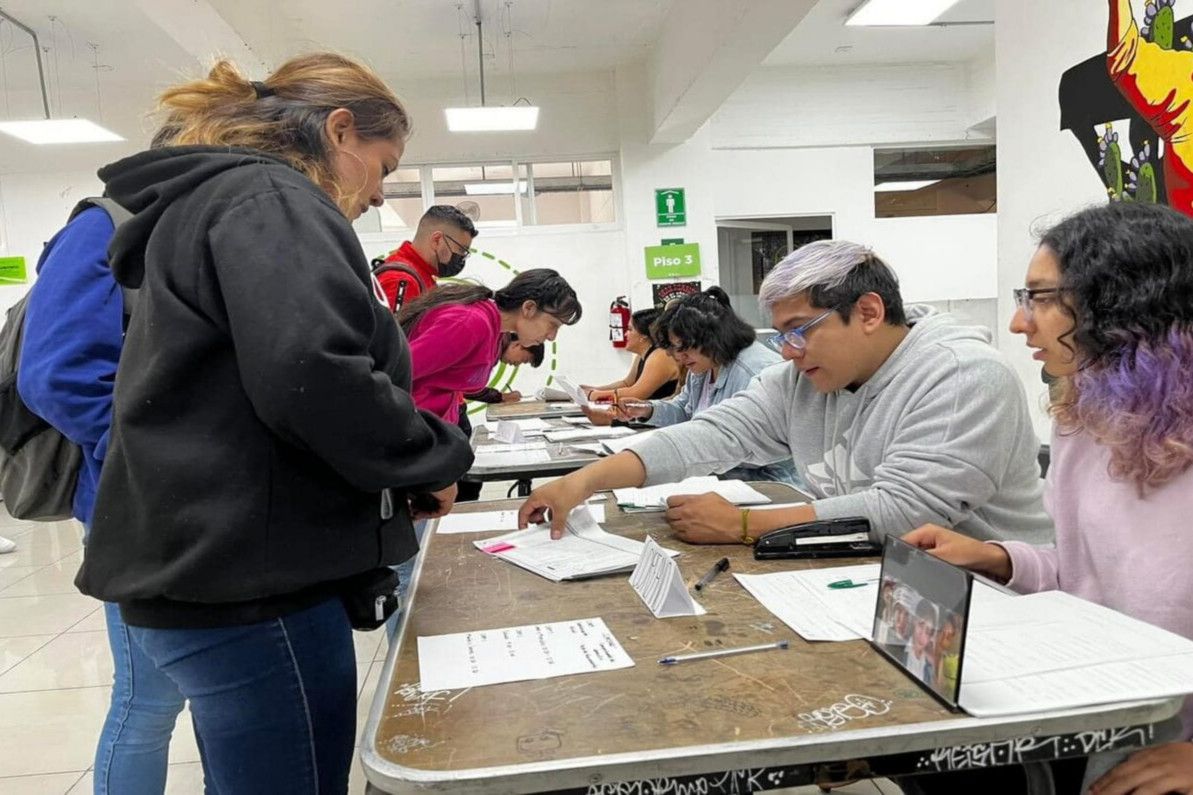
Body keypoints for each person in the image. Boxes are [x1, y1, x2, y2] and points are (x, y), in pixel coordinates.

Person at [73, 54, 473, 793]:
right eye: (383, 165)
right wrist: (433, 456)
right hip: (251, 580)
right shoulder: (269, 198)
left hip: (214, 565)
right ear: (339, 129)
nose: (382, 193)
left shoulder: (217, 201)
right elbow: (312, 374)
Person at [903, 202, 1193, 795]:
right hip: (1114, 710)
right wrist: (999, 558)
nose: (1018, 323)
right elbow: (1086, 575)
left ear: (1122, 300)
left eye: (1038, 297)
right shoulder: (1083, 418)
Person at [518, 240, 1052, 549]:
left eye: (801, 330)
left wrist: (744, 524)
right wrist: (582, 482)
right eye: (783, 336)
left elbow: (904, 512)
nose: (789, 352)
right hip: (874, 577)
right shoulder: (806, 378)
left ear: (867, 312)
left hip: (993, 605)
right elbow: (709, 435)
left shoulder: (961, 377)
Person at [17, 143, 191, 793]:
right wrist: (152, 459)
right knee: (148, 699)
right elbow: (58, 375)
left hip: (203, 509)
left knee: (202, 695)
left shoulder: (205, 225)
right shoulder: (103, 224)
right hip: (139, 504)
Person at [593, 286, 797, 484]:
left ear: (711, 337)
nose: (679, 358)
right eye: (674, 349)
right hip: (720, 475)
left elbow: (754, 447)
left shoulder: (756, 371)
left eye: (683, 348)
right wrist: (647, 410)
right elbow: (685, 410)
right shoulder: (703, 365)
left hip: (769, 481)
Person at [398, 270, 581, 424]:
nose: (552, 336)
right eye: (553, 324)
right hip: (408, 432)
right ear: (529, 308)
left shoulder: (494, 332)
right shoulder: (470, 324)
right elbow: (395, 371)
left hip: (433, 429)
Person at [456, 337, 545, 503]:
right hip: (451, 411)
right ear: (518, 344)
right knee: (465, 475)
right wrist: (499, 396)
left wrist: (499, 397)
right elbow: (466, 385)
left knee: (468, 474)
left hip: (456, 409)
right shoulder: (488, 346)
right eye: (523, 360)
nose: (517, 364)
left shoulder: (493, 348)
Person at [374, 204, 478, 312]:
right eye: (461, 250)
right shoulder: (402, 281)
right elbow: (393, 328)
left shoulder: (420, 275)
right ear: (437, 240)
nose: (462, 258)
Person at [581, 307, 680, 403]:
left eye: (630, 329)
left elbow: (636, 393)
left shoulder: (660, 356)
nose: (625, 334)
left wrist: (593, 395)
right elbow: (627, 384)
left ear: (644, 336)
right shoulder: (643, 355)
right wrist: (594, 389)